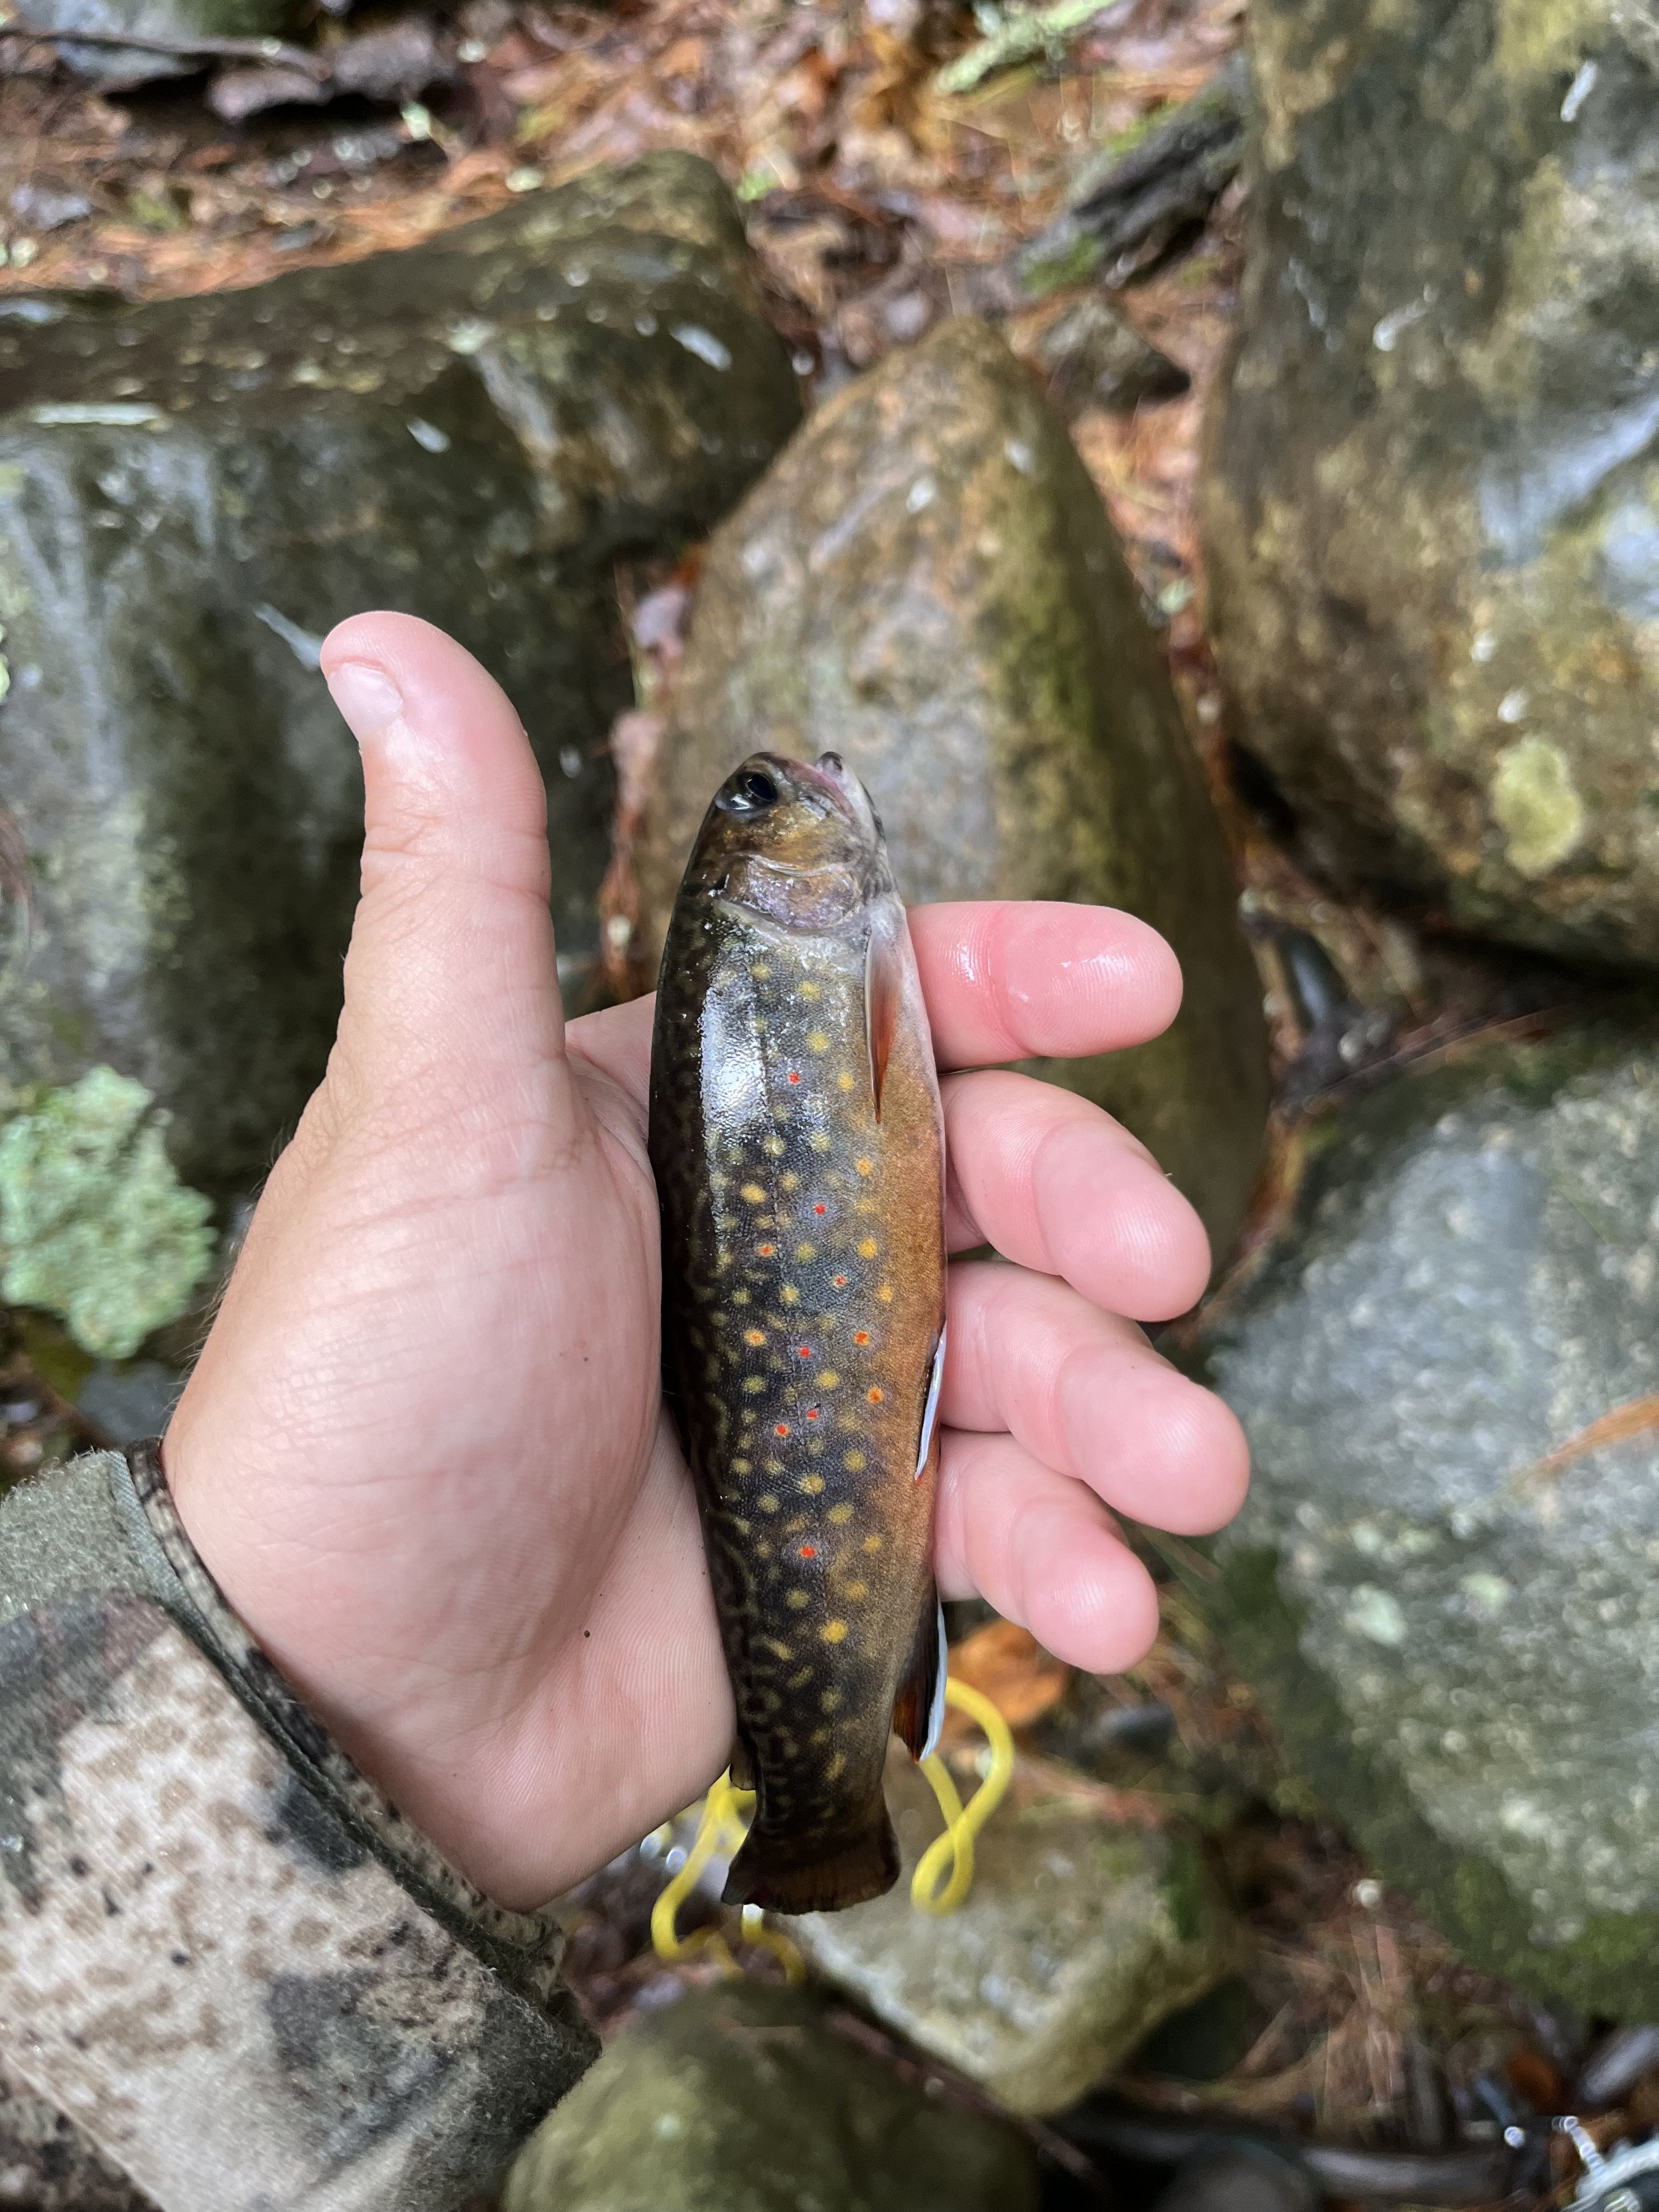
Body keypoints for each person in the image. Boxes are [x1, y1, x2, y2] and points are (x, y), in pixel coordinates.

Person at [0, 614, 1250, 2211]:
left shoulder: (800, 970)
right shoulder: (799, 973)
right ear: (765, 892)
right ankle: (816, 1794)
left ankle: (821, 1788)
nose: (776, 800)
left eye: (751, 808)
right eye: (752, 809)